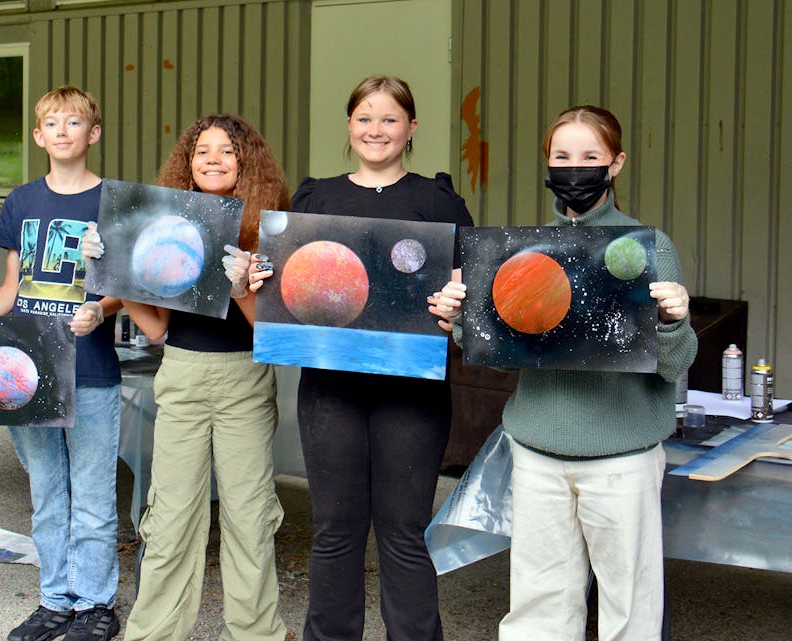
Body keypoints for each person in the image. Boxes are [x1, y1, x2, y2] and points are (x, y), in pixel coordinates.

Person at [430, 105, 698, 641]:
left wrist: (673, 322)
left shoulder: (648, 248)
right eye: (562, 156)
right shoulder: (521, 254)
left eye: (590, 156)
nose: (575, 167)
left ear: (616, 163)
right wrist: (460, 322)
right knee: (538, 609)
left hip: (621, 460)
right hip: (537, 455)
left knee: (631, 613)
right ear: (548, 163)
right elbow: (501, 348)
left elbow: (674, 363)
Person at [256, 76, 473, 641]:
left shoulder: (437, 200)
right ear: (349, 127)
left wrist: (458, 302)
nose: (376, 130)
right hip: (331, 391)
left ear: (412, 129)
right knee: (334, 529)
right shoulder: (314, 199)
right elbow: (285, 287)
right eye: (364, 118)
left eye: (390, 119)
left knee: (404, 531)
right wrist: (260, 280)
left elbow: (469, 287)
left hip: (414, 392)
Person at [90, 114, 291, 641]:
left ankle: (255, 632)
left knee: (249, 516)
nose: (214, 160)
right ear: (188, 161)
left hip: (244, 378)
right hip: (180, 372)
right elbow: (156, 330)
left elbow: (272, 335)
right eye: (203, 151)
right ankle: (154, 632)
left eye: (227, 151)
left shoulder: (267, 228)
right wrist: (115, 272)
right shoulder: (169, 231)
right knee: (171, 516)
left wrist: (245, 286)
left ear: (246, 163)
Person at [0, 86, 123, 641]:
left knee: (94, 497)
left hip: (92, 371)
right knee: (48, 494)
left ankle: (96, 604)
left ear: (93, 133)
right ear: (37, 135)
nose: (62, 131)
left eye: (74, 122)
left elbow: (126, 286)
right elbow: (10, 286)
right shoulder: (23, 203)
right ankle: (56, 599)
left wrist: (101, 309)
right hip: (29, 373)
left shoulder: (113, 202)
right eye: (51, 123)